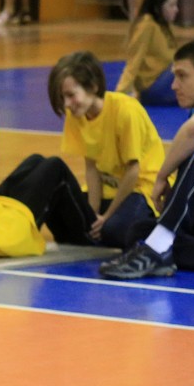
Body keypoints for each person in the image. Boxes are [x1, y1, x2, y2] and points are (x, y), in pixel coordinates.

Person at [99, 39, 194, 279]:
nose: (173, 85)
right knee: (143, 231)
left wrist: (162, 176)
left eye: (182, 76)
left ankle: (157, 251)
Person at [50, 51, 165, 250]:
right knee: (66, 223)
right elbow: (91, 168)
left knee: (114, 232)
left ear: (93, 87)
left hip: (141, 187)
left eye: (71, 95)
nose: (67, 104)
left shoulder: (126, 110)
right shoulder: (78, 114)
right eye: (62, 97)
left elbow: (133, 170)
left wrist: (107, 216)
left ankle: (157, 224)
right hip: (108, 187)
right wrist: (93, 216)